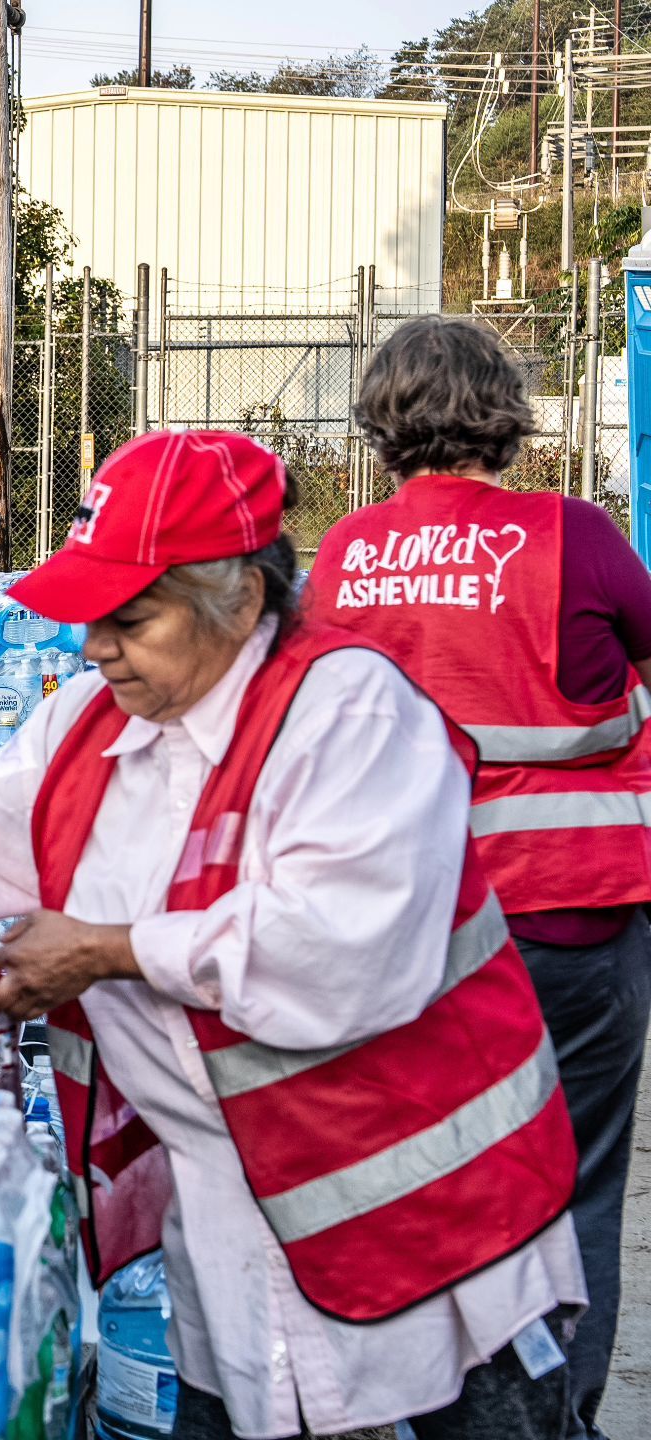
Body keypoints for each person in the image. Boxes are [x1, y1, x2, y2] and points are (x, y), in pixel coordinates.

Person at [0, 429, 586, 1440]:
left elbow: (338, 947)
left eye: (131, 620)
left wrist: (110, 950)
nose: (95, 649)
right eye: (91, 620)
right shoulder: (88, 726)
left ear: (241, 600)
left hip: (431, 1235)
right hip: (232, 1250)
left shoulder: (349, 713)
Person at [303, 314, 651, 1440]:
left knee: (428, 1179)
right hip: (569, 915)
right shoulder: (576, 537)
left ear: (382, 421)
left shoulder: (348, 554)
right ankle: (556, 1416)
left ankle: (436, 1406)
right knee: (577, 1181)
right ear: (505, 412)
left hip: (406, 927)